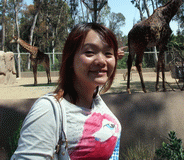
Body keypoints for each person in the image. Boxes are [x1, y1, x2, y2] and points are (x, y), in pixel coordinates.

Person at [11, 23, 126, 160]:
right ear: (70, 59)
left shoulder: (95, 100)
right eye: (89, 52)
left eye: (108, 53)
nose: (102, 61)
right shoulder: (48, 109)